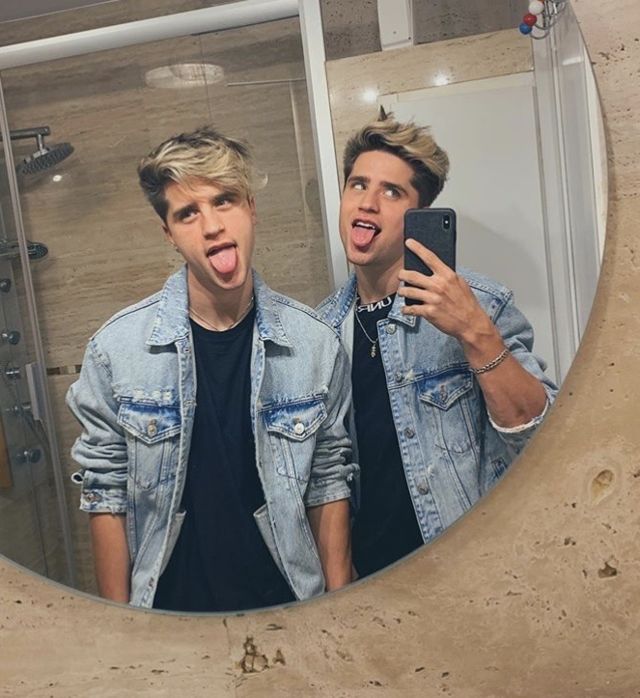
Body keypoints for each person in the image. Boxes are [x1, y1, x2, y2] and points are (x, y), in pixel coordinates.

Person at [67, 126, 357, 611]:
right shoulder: (116, 350)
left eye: (224, 200)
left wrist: (336, 608)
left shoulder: (314, 344)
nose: (212, 226)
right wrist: (122, 630)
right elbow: (106, 494)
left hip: (288, 604)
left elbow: (328, 482)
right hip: (170, 611)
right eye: (188, 213)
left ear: (251, 208)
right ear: (169, 234)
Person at [317, 110, 558, 579]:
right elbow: (328, 477)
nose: (368, 203)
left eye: (392, 192)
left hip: (470, 574)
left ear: (419, 215)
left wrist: (476, 332)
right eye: (358, 184)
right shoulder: (321, 331)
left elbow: (540, 437)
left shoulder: (480, 303)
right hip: (372, 584)